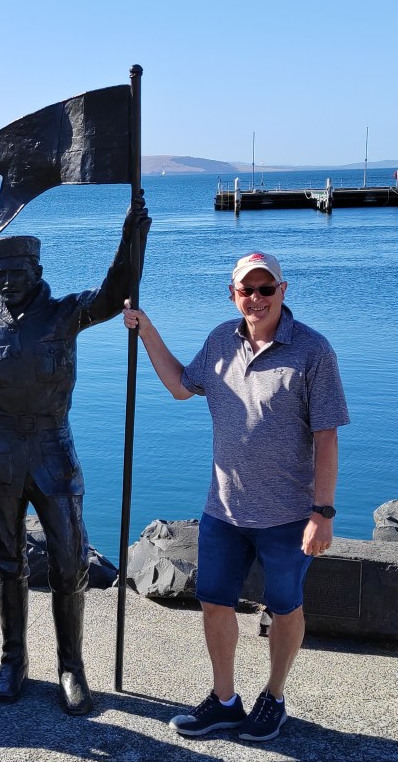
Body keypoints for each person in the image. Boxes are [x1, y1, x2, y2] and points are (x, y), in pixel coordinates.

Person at [122, 251, 348, 742]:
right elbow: (181, 386)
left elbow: (327, 436)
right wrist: (147, 331)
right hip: (223, 509)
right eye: (247, 290)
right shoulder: (221, 340)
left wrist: (322, 512)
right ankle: (224, 701)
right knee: (214, 603)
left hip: (289, 515)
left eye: (266, 289)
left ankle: (274, 698)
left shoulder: (313, 350)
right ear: (233, 294)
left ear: (283, 291)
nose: (257, 298)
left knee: (284, 608)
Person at [0, 198, 150, 714]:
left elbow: (114, 293)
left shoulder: (64, 315)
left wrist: (132, 237)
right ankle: (13, 660)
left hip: (54, 455)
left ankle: (71, 666)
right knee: (7, 563)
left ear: (36, 269)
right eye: (0, 274)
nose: (8, 281)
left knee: (70, 564)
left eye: (17, 272)